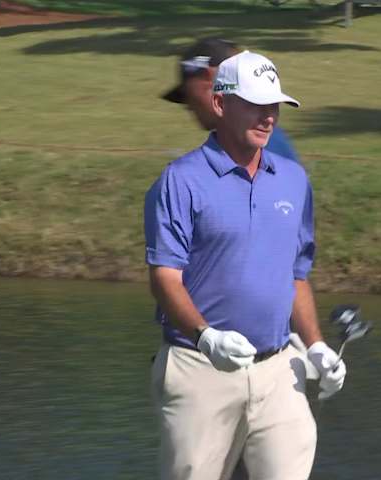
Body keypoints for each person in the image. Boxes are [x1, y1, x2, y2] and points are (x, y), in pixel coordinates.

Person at [145, 50, 347, 480]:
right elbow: (165, 277)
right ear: (220, 104)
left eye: (273, 105)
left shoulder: (293, 179)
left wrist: (315, 346)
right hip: (200, 369)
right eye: (255, 103)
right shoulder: (181, 180)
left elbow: (295, 273)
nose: (268, 116)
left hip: (278, 371)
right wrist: (206, 337)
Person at [162, 37, 300, 163]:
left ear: (210, 78)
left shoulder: (257, 144)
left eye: (188, 94)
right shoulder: (254, 138)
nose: (189, 106)